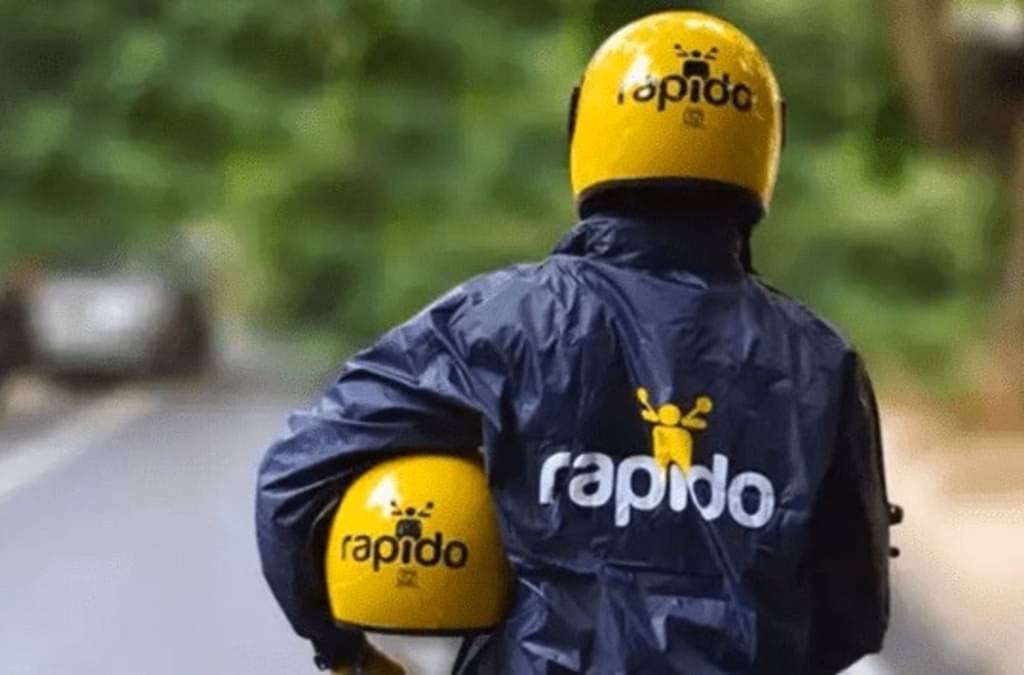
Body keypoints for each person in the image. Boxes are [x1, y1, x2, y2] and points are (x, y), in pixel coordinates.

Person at [256, 10, 893, 675]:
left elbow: (294, 479)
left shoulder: (504, 323)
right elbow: (856, 613)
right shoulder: (820, 363)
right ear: (768, 141)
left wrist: (346, 651)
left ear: (582, 126)